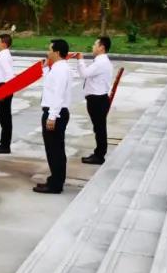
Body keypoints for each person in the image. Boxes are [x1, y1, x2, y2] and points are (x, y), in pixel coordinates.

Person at [36, 39, 72, 194]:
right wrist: (45, 69)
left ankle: (56, 184)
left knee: (55, 150)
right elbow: (50, 87)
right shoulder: (57, 68)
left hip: (55, 113)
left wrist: (52, 116)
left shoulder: (61, 69)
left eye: (49, 49)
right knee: (53, 149)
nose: (47, 52)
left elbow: (58, 94)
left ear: (57, 52)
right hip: (54, 112)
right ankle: (54, 179)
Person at [77, 36, 114, 165]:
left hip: (97, 100)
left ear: (101, 47)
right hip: (98, 99)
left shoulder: (101, 62)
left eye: (95, 44)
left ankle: (99, 156)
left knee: (99, 128)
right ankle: (99, 153)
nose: (93, 47)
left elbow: (84, 74)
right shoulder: (101, 61)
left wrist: (80, 60)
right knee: (99, 128)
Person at [0, 33, 15, 154]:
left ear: (4, 44)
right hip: (2, 88)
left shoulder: (4, 56)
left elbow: (9, 75)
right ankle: (4, 144)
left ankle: (4, 146)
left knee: (5, 119)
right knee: (5, 118)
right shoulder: (4, 55)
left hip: (3, 88)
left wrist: (4, 92)